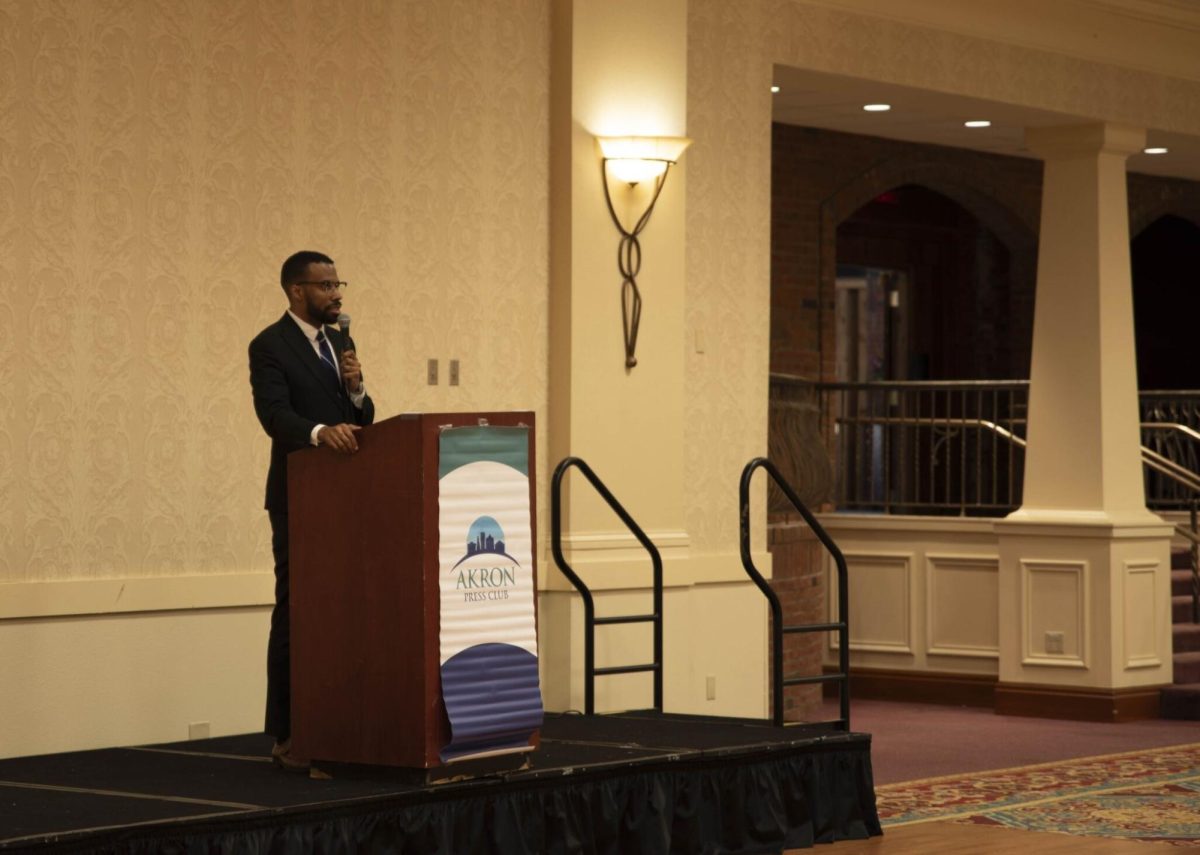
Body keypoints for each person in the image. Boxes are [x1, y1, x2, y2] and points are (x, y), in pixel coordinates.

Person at [248, 250, 375, 771]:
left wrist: (357, 388)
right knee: (297, 610)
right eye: (325, 286)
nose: (337, 294)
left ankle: (339, 724)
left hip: (346, 497)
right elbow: (274, 415)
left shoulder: (340, 342)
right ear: (297, 292)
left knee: (344, 612)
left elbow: (362, 415)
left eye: (338, 283)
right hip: (299, 497)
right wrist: (321, 434)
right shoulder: (269, 345)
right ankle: (287, 733)